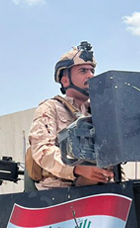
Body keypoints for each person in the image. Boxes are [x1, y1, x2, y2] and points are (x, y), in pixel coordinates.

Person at [27, 42, 114, 190]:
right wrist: (77, 169)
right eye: (83, 71)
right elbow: (42, 150)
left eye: (92, 70)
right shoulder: (50, 108)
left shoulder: (98, 112)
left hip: (98, 186)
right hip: (57, 192)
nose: (90, 75)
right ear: (65, 80)